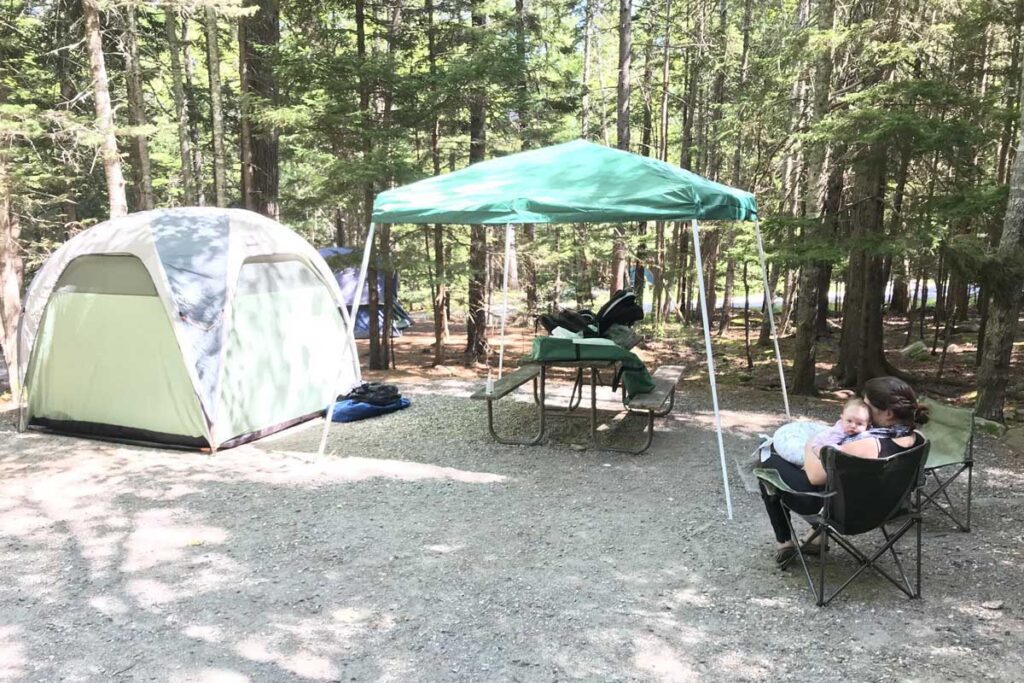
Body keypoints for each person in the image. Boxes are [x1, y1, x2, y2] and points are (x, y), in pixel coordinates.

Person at [759, 376, 930, 566]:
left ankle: (785, 542)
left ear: (888, 413)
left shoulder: (867, 445)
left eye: (867, 406)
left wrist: (812, 444)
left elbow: (815, 477)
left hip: (844, 515)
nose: (864, 410)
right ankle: (815, 539)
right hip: (885, 510)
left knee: (767, 456)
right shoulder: (918, 439)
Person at [767, 397, 871, 467]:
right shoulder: (838, 432)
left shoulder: (865, 436)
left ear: (867, 425)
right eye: (849, 421)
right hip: (818, 444)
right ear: (842, 419)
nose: (853, 426)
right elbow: (828, 445)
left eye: (859, 424)